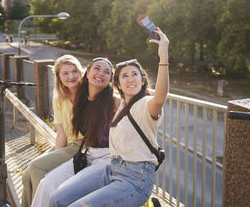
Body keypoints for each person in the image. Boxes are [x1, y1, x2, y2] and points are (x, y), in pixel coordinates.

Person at [49, 27, 169, 207]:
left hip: (136, 178)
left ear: (142, 81)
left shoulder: (146, 104)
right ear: (118, 84)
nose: (130, 79)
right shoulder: (118, 104)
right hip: (113, 167)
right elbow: (86, 97)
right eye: (125, 76)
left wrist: (163, 56)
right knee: (57, 199)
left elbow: (160, 98)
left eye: (135, 75)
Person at [31, 57, 120, 207]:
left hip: (107, 156)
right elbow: (62, 133)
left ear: (110, 78)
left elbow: (142, 107)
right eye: (97, 69)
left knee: (59, 193)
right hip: (87, 152)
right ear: (87, 73)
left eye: (107, 72)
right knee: (46, 183)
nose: (101, 73)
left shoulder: (114, 100)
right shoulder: (82, 99)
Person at [21, 54, 85, 207]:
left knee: (37, 167)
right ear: (59, 77)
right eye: (65, 73)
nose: (71, 76)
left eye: (74, 71)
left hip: (82, 146)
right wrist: (57, 157)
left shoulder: (88, 92)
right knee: (26, 174)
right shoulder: (59, 98)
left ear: (81, 71)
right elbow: (61, 133)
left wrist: (55, 161)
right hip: (69, 144)